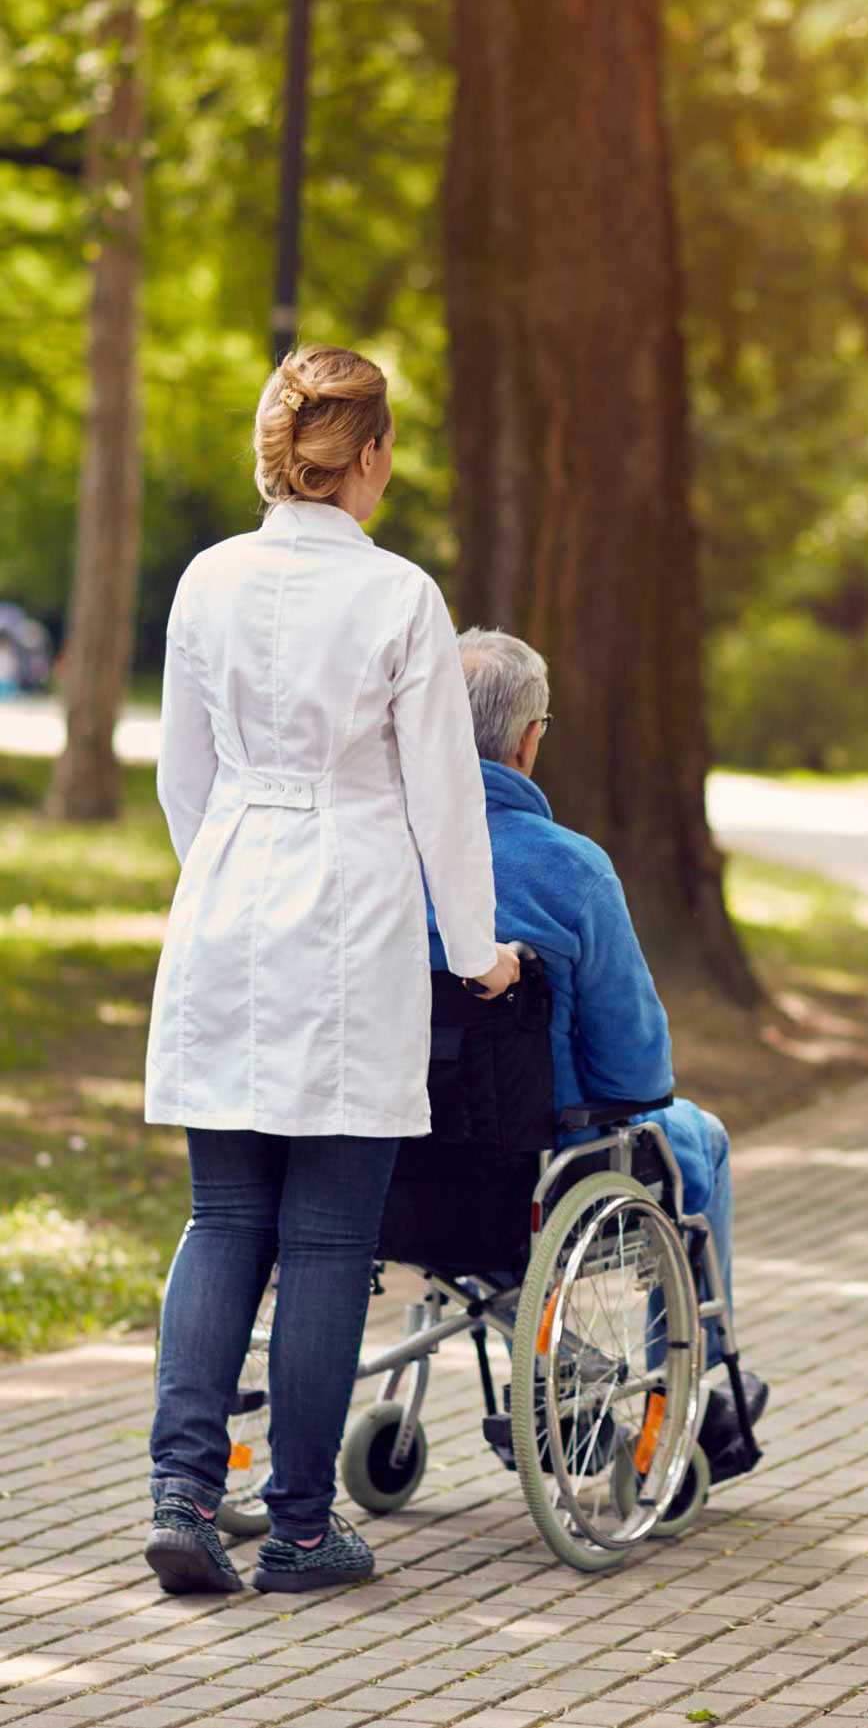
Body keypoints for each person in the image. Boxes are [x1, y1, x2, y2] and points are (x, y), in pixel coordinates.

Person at [143, 345, 518, 1598]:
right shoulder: (401, 597)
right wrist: (479, 953)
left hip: (227, 903)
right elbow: (443, 799)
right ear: (369, 459)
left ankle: (185, 1497)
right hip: (349, 919)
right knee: (322, 1239)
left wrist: (231, 877)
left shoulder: (206, 581)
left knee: (223, 1215)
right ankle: (303, 1529)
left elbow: (181, 778)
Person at [426, 629, 768, 1481]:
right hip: (541, 1171)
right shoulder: (570, 870)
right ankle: (691, 1396)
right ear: (530, 738)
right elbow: (636, 1073)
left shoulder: (373, 852)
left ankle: (563, 1367)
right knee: (703, 1138)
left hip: (389, 1167)